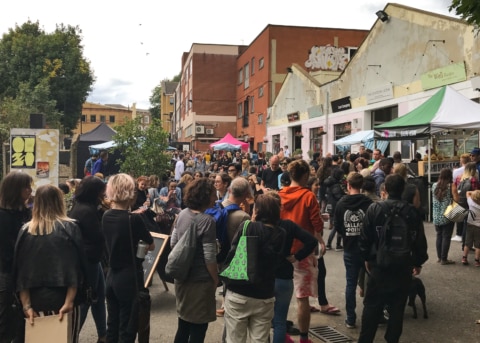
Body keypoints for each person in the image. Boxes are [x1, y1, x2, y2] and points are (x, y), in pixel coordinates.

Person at [358, 174, 428, 343]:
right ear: (403, 190)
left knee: (372, 307)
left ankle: (366, 339)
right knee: (397, 309)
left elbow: (364, 239)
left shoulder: (375, 209)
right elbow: (419, 241)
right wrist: (418, 262)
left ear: (385, 190)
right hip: (402, 267)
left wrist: (367, 259)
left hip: (378, 266)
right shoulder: (412, 212)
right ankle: (392, 339)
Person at [14, 184, 86, 343]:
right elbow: (75, 268)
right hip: (64, 299)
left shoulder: (25, 231)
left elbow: (21, 271)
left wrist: (26, 306)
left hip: (34, 300)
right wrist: (69, 301)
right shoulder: (70, 227)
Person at [223, 194, 286, 343]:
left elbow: (234, 251)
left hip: (239, 291)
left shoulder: (247, 226)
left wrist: (252, 220)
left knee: (234, 339)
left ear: (257, 210)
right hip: (265, 295)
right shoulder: (281, 234)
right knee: (260, 339)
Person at [102, 174, 155, 343]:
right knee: (127, 328)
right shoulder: (135, 219)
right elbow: (151, 244)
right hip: (129, 277)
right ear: (130, 193)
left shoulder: (106, 216)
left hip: (111, 275)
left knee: (112, 324)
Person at [279, 159, 325, 343]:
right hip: (302, 251)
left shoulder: (279, 195)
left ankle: (281, 333)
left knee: (279, 295)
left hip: (282, 251)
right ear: (305, 176)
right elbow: (318, 223)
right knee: (302, 297)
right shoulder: (308, 196)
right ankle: (304, 338)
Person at [171, 178, 218, 343]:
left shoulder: (182, 214)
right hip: (200, 281)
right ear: (205, 197)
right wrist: (215, 279)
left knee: (183, 324)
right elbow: (210, 256)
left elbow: (173, 243)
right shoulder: (208, 221)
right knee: (199, 327)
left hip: (182, 278)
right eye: (213, 194)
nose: (216, 198)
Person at [68, 176, 108, 342]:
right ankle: (72, 334)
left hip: (91, 259)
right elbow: (98, 235)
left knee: (99, 295)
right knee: (87, 298)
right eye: (101, 191)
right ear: (95, 192)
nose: (104, 193)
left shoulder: (81, 207)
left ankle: (102, 334)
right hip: (88, 260)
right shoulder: (86, 211)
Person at [334, 172, 373, 328]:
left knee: (350, 283)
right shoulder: (368, 203)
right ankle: (372, 317)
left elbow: (337, 225)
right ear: (361, 185)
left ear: (348, 185)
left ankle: (351, 318)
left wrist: (346, 234)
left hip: (349, 247)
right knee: (372, 282)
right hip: (367, 249)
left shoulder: (341, 204)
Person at [0, 171, 33, 343]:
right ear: (15, 190)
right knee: (6, 321)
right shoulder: (3, 216)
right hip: (7, 274)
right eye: (26, 187)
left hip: (24, 274)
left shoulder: (26, 213)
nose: (30, 190)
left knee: (23, 323)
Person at [306, 177, 339, 316]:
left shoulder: (310, 198)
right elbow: (312, 223)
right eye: (316, 184)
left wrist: (321, 217)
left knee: (309, 272)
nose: (318, 186)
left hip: (308, 241)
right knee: (319, 271)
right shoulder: (310, 198)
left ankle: (308, 302)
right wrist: (321, 241)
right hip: (311, 241)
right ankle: (322, 303)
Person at [432, 168, 456, 265]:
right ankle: (444, 259)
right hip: (448, 215)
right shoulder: (451, 186)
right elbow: (457, 199)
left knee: (439, 235)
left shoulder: (434, 185)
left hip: (436, 215)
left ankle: (439, 257)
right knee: (446, 237)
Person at [451, 153, 473, 242]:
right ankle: (466, 236)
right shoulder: (474, 170)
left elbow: (453, 183)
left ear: (461, 161)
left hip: (459, 195)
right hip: (470, 196)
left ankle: (458, 234)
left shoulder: (456, 171)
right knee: (469, 217)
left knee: (458, 216)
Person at [463, 190, 480, 266]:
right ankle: (477, 261)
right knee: (478, 245)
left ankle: (464, 258)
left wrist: (473, 192)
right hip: (479, 227)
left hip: (470, 224)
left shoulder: (471, 203)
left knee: (467, 243)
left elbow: (467, 193)